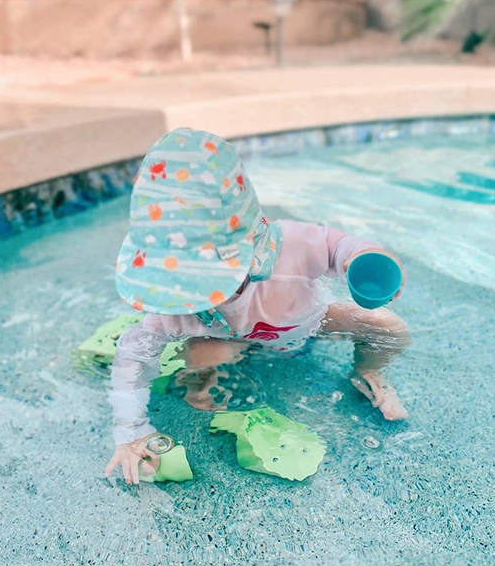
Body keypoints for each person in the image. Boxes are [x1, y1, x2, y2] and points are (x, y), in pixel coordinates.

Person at [105, 128, 409, 484]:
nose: (191, 298)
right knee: (203, 380)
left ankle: (368, 371)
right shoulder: (180, 305)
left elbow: (334, 245)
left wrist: (359, 257)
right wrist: (131, 428)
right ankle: (216, 374)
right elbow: (134, 353)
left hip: (308, 321)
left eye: (200, 284)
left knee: (388, 328)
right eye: (184, 286)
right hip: (227, 336)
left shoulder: (290, 247)